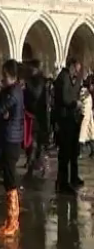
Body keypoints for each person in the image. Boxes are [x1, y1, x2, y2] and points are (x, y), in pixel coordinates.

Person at [0, 59, 24, 238]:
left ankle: (13, 220)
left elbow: (0, 111)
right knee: (7, 178)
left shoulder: (13, 93)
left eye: (4, 75)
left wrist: (0, 111)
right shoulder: (13, 91)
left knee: (10, 179)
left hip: (11, 138)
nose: (2, 78)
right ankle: (10, 219)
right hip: (10, 137)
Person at [54, 56, 84, 194]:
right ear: (71, 66)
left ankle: (72, 177)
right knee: (65, 152)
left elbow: (73, 93)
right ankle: (62, 182)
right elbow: (65, 98)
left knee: (73, 150)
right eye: (76, 69)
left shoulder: (71, 79)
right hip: (65, 120)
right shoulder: (64, 78)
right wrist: (75, 103)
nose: (77, 73)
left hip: (71, 119)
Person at [23, 59, 49, 177]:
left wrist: (27, 85)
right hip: (31, 114)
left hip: (37, 116)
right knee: (31, 142)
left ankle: (36, 166)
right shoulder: (34, 80)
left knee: (34, 143)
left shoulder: (38, 80)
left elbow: (36, 94)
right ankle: (33, 165)